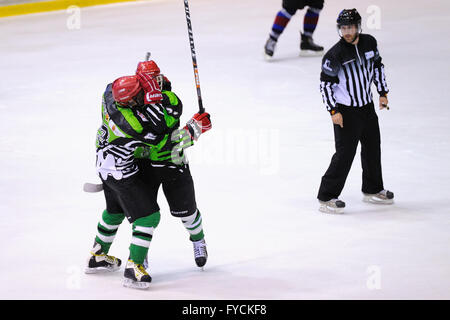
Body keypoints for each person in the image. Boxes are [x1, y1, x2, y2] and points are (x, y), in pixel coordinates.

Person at [85, 71, 211, 289]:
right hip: (126, 172)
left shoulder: (109, 95)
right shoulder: (133, 125)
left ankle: (97, 255)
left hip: (109, 165)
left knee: (115, 211)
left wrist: (141, 87)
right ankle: (135, 266)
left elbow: (112, 86)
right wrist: (196, 129)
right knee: (148, 217)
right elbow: (164, 141)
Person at [317, 8, 394, 214]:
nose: (347, 31)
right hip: (346, 112)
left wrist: (382, 92)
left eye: (350, 27)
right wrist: (334, 111)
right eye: (343, 28)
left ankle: (373, 189)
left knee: (372, 148)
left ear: (358, 27)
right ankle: (326, 196)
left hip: (367, 108)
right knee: (344, 154)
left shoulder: (370, 42)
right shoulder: (335, 55)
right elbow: (325, 86)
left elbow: (378, 66)